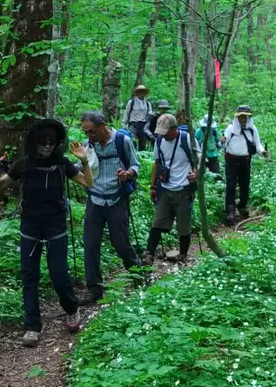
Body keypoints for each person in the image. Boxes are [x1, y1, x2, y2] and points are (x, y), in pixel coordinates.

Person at [0, 119, 94, 347]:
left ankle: (71, 309)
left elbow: (88, 183)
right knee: (30, 277)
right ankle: (32, 326)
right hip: (30, 226)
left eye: (51, 142)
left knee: (59, 274)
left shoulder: (62, 163)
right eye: (43, 143)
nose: (47, 147)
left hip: (55, 225)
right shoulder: (25, 163)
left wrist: (84, 161)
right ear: (35, 143)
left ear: (57, 143)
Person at [81, 110, 142, 301]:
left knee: (121, 243)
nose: (88, 136)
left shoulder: (122, 141)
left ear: (102, 126)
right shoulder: (87, 145)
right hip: (95, 200)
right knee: (90, 245)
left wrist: (127, 174)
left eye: (91, 131)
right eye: (85, 132)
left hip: (116, 199)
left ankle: (138, 275)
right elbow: (81, 169)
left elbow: (136, 165)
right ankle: (94, 290)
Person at [143, 114, 197, 266]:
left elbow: (199, 160)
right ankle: (149, 255)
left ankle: (183, 255)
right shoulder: (159, 140)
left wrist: (196, 173)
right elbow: (157, 163)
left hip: (183, 190)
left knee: (183, 226)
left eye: (165, 132)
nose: (162, 135)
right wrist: (152, 186)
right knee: (157, 223)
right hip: (164, 189)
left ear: (174, 129)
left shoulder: (186, 139)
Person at [221, 104, 267, 225]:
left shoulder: (252, 129)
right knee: (231, 185)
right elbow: (223, 140)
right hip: (231, 160)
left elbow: (257, 144)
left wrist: (263, 152)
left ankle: (242, 206)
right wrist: (222, 141)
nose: (243, 119)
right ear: (237, 117)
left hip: (245, 161)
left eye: (245, 116)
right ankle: (230, 211)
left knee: (244, 185)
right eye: (241, 116)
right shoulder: (231, 128)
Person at [122, 84, 152, 150]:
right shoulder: (131, 102)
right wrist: (124, 125)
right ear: (137, 92)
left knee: (143, 144)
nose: (142, 93)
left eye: (143, 91)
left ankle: (142, 158)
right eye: (140, 91)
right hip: (133, 125)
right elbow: (126, 113)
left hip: (143, 125)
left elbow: (150, 115)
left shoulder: (147, 103)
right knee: (132, 143)